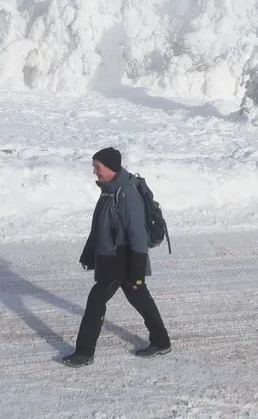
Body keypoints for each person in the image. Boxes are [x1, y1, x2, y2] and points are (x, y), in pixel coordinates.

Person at [61, 146, 171, 367]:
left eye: (97, 167)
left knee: (96, 301)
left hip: (122, 259)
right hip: (111, 256)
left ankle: (84, 353)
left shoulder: (126, 193)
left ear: (110, 167)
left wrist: (138, 270)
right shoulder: (109, 189)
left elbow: (137, 233)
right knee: (139, 298)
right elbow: (101, 227)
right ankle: (161, 341)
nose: (94, 172)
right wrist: (90, 253)